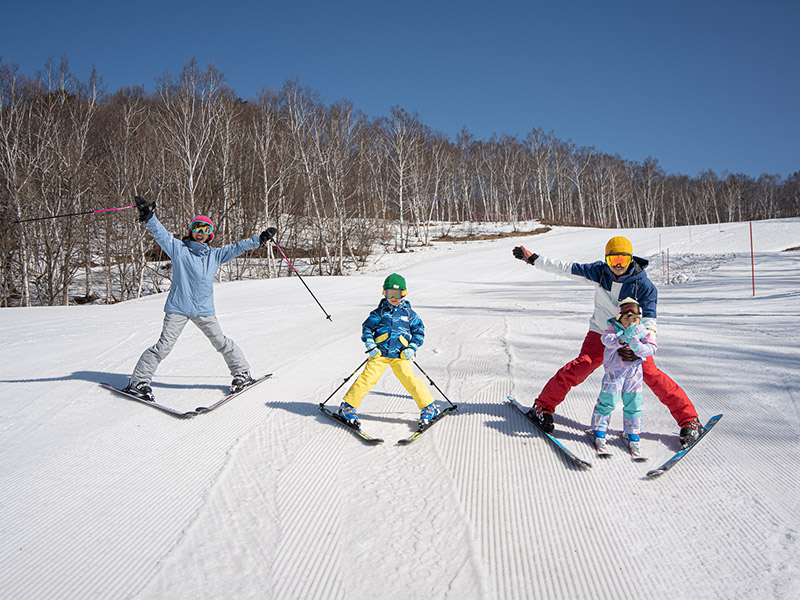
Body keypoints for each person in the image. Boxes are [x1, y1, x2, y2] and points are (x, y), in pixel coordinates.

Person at [512, 235, 705, 448]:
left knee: (650, 374)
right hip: (601, 332)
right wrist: (534, 259)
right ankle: (542, 408)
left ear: (631, 259)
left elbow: (649, 322)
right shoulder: (599, 272)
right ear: (607, 260)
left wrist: (640, 349)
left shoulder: (645, 286)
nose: (618, 266)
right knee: (582, 365)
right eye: (614, 261)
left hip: (631, 338)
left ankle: (690, 420)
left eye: (623, 260)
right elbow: (566, 268)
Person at [123, 195, 277, 401]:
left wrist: (259, 239)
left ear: (210, 234)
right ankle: (138, 381)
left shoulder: (215, 255)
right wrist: (149, 217)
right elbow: (162, 235)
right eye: (197, 228)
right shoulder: (179, 250)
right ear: (191, 230)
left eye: (205, 230)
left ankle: (242, 373)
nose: (200, 233)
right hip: (178, 307)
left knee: (221, 342)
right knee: (163, 346)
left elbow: (238, 247)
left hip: (204, 309)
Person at [338, 273, 438, 429]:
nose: (393, 297)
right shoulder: (379, 313)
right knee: (367, 379)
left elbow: (419, 331)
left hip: (401, 354)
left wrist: (412, 347)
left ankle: (428, 406)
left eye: (396, 294)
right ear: (384, 293)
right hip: (379, 354)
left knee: (410, 379)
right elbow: (367, 329)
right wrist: (370, 345)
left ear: (403, 293)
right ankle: (348, 406)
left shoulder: (409, 314)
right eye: (389, 293)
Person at [589, 297, 657, 454]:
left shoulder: (641, 331)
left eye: (635, 318)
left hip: (634, 372)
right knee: (608, 400)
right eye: (627, 318)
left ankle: (632, 432)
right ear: (620, 318)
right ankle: (599, 429)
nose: (632, 322)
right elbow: (606, 340)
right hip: (615, 372)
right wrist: (623, 338)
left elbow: (652, 347)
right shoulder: (613, 329)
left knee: (634, 402)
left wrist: (639, 347)